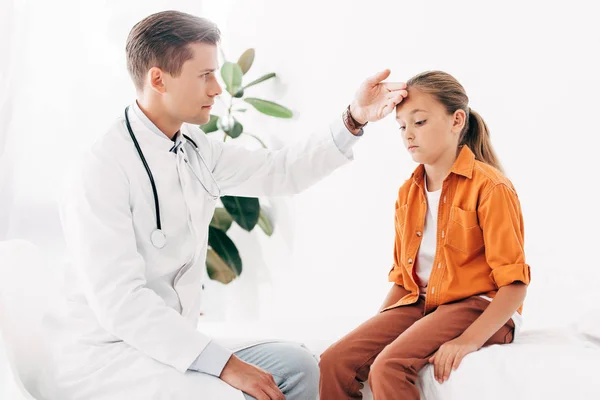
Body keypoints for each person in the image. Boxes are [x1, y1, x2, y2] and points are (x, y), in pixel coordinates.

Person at [44, 10, 408, 400]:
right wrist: (228, 367)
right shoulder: (101, 168)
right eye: (205, 75)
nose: (218, 88)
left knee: (301, 367)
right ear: (158, 79)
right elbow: (121, 304)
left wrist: (354, 119)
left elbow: (280, 171)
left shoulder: (193, 148)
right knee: (234, 392)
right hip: (112, 359)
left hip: (173, 346)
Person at [318, 70, 531, 400]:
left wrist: (467, 340)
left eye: (419, 122)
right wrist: (378, 330)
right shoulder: (408, 193)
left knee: (389, 364)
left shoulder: (491, 188)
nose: (408, 135)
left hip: (478, 305)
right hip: (421, 303)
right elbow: (405, 281)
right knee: (334, 362)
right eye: (402, 126)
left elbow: (514, 286)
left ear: (456, 120)